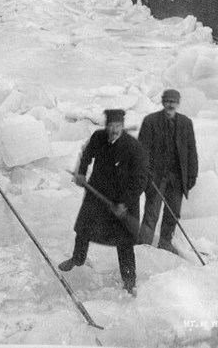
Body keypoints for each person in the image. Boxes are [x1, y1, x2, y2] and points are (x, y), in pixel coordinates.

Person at [59, 109, 148, 296]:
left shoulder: (134, 147)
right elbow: (87, 155)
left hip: (123, 199)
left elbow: (141, 180)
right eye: (111, 126)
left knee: (124, 242)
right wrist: (82, 172)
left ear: (122, 126)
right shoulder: (98, 137)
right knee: (83, 228)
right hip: (97, 192)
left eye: (118, 126)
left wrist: (124, 202)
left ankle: (129, 281)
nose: (114, 130)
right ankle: (77, 259)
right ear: (106, 126)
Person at [138, 89, 198, 254]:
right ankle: (143, 246)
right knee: (152, 213)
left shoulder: (186, 123)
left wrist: (192, 175)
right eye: (168, 101)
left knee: (173, 213)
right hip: (155, 177)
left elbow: (191, 151)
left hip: (177, 178)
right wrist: (145, 172)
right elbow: (142, 150)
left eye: (173, 101)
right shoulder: (150, 121)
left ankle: (165, 243)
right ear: (163, 102)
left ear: (178, 103)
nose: (170, 104)